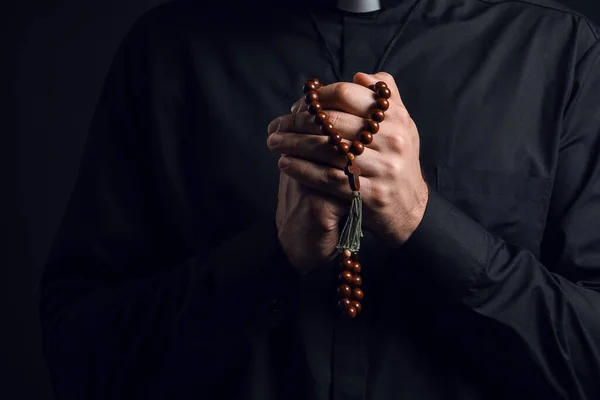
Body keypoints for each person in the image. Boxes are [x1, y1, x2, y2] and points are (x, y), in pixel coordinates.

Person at [39, 0, 600, 398]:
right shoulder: (168, 54)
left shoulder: (559, 55)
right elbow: (82, 361)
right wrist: (274, 255)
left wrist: (422, 220)